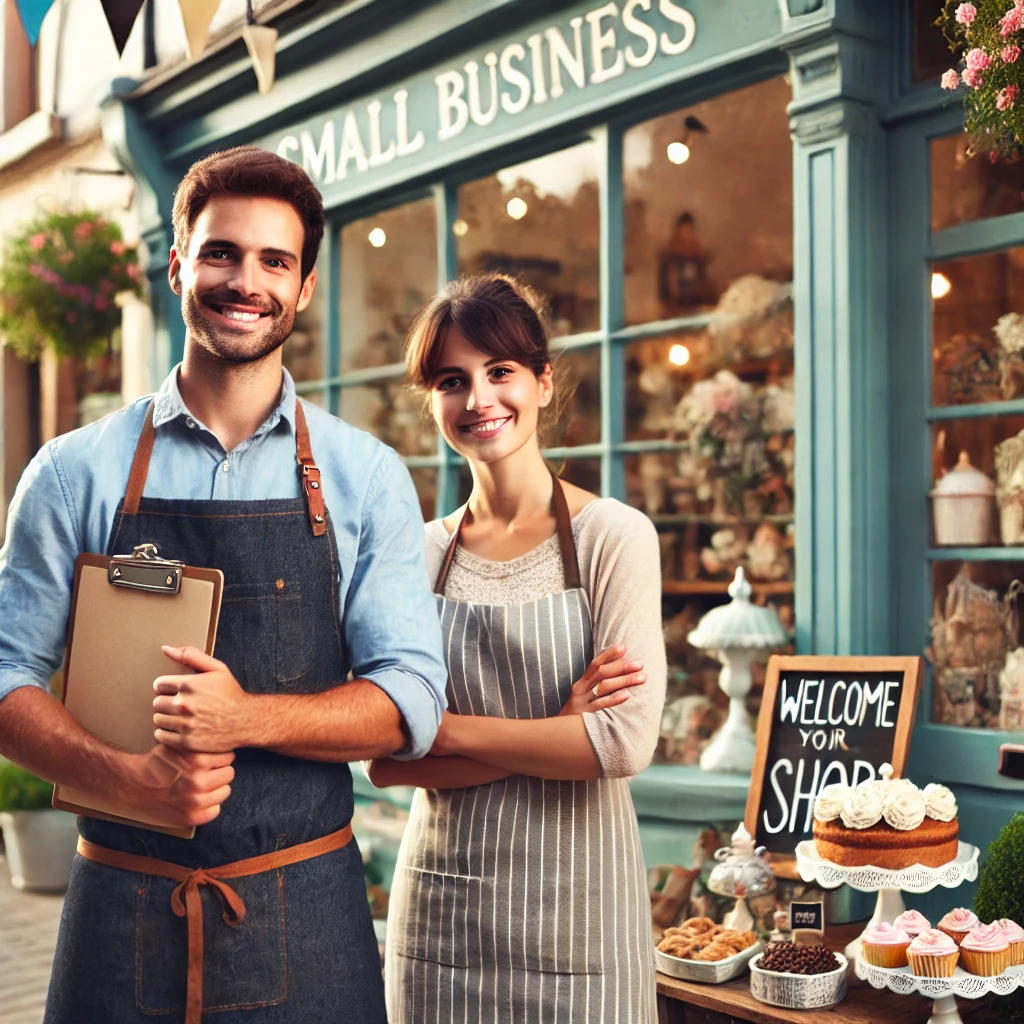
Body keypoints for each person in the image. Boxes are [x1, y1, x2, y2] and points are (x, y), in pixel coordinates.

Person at [0, 147, 448, 1024]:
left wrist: (246, 719)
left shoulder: (367, 476)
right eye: (222, 254)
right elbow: (5, 676)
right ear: (177, 265)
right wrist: (130, 780)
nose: (247, 281)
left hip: (308, 910)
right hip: (119, 919)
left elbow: (410, 700)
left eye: (274, 261)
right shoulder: (71, 474)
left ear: (305, 286)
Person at [369, 274, 667, 1022]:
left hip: (583, 926)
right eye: (451, 380)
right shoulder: (419, 555)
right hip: (442, 917)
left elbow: (622, 745)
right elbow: (381, 760)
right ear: (431, 400)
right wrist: (558, 728)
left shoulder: (612, 538)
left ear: (542, 381)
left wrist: (438, 731)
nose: (479, 400)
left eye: (499, 372)